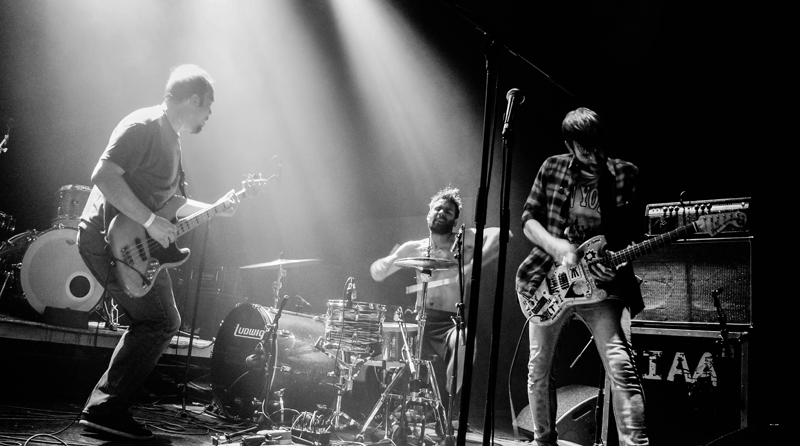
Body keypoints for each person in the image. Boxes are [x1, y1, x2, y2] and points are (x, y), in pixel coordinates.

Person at [77, 64, 237, 440]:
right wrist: (149, 222)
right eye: (208, 107)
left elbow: (173, 204)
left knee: (162, 320)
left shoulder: (172, 140)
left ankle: (106, 407)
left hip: (133, 243)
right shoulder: (144, 126)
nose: (209, 116)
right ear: (194, 99)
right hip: (106, 240)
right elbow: (103, 175)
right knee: (160, 321)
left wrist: (216, 208)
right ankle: (104, 409)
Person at [516, 107, 648, 445]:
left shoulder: (625, 174)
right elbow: (528, 219)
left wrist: (616, 263)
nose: (595, 155)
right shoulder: (552, 167)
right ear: (570, 146)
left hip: (602, 286)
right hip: (549, 282)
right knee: (538, 368)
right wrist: (555, 245)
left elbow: (635, 235)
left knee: (621, 367)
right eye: (585, 150)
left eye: (599, 146)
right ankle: (543, 441)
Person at [370, 186, 504, 424]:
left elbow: (502, 234)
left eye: (448, 211)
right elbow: (379, 272)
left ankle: (446, 404)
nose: (442, 213)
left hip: (448, 322)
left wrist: (472, 267)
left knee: (466, 343)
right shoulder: (414, 247)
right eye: (438, 209)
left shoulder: (463, 241)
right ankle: (395, 407)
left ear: (455, 221)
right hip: (418, 319)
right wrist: (381, 265)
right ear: (429, 214)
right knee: (389, 347)